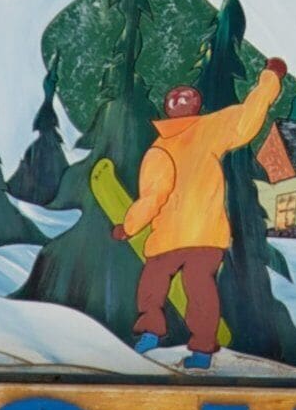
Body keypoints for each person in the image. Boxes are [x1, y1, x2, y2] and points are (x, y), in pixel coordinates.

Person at [115, 56, 285, 368]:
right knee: (201, 289)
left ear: (168, 110)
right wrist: (270, 77)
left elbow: (153, 197)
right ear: (196, 107)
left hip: (168, 239)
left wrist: (128, 227)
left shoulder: (160, 150)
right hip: (207, 235)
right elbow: (250, 114)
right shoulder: (211, 129)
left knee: (153, 284)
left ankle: (150, 332)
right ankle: (203, 351)